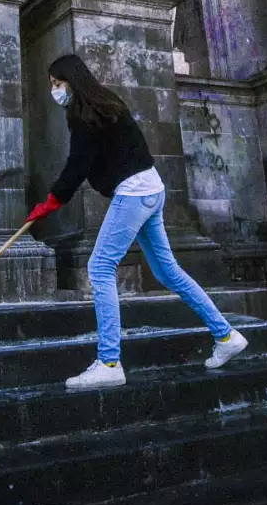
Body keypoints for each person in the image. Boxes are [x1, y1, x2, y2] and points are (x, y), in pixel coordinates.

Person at [30, 55, 247, 389]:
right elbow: (91, 161)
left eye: (57, 84)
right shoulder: (105, 103)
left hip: (134, 193)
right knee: (167, 272)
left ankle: (109, 362)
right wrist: (55, 198)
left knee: (100, 267)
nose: (54, 91)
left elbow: (77, 165)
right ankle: (226, 335)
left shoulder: (87, 115)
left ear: (71, 82)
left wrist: (52, 202)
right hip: (151, 188)